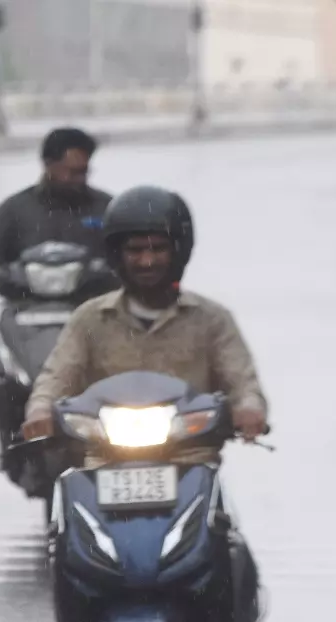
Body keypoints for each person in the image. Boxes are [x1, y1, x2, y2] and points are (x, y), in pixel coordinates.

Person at [19, 185, 268, 443]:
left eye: (158, 249)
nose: (147, 261)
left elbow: (243, 381)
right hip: (101, 454)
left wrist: (248, 408)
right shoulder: (89, 318)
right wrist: (40, 411)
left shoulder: (211, 319)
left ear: (178, 251)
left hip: (191, 454)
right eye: (135, 250)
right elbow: (56, 376)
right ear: (117, 255)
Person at [0, 127, 114, 294]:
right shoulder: (15, 209)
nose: (79, 178)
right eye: (72, 172)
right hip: (24, 301)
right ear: (48, 164)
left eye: (83, 171)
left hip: (94, 301)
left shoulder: (107, 208)